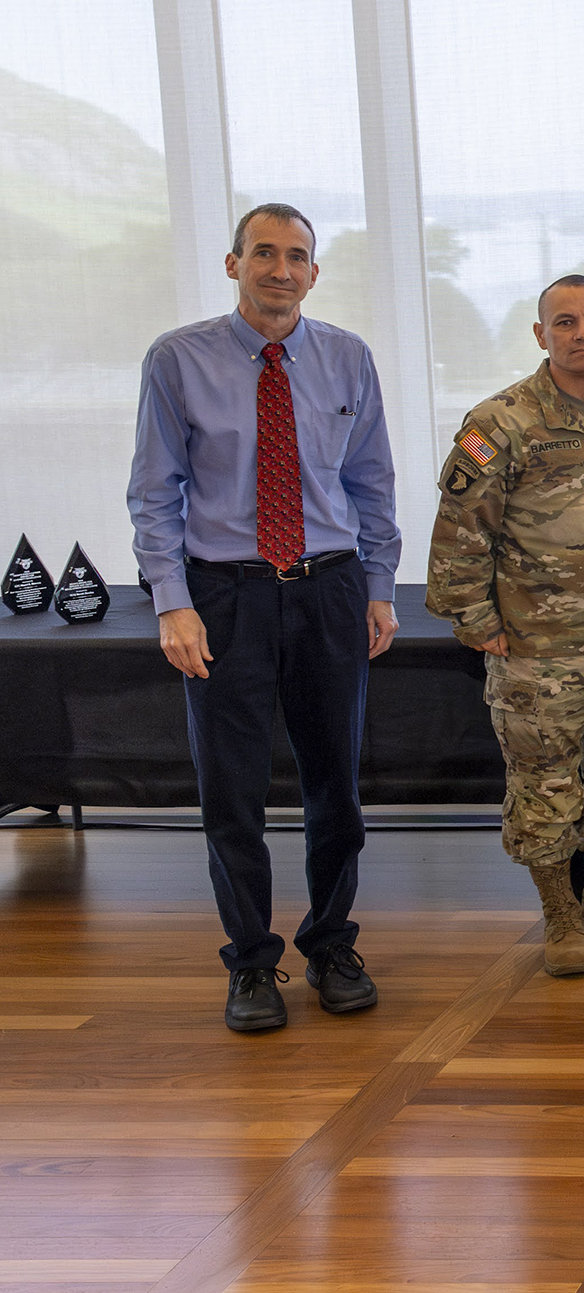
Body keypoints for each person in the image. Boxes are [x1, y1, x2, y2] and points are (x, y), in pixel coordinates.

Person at [128, 202, 400, 1032]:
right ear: (233, 263)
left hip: (329, 588)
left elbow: (371, 484)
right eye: (265, 253)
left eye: (297, 256)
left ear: (314, 272)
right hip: (224, 596)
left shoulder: (349, 358)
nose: (281, 269)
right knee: (232, 794)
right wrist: (172, 601)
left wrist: (380, 584)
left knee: (336, 790)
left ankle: (330, 943)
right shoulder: (178, 359)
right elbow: (154, 491)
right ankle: (250, 960)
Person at [426, 274, 584, 978]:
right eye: (565, 321)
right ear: (541, 334)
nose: (582, 333)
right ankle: (561, 914)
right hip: (539, 647)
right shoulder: (502, 422)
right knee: (544, 788)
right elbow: (460, 529)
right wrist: (475, 618)